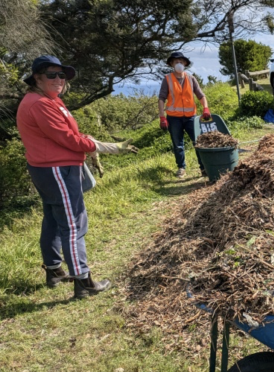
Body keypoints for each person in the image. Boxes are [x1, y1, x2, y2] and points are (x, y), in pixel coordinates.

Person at [17, 55, 137, 299]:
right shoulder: (40, 104)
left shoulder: (49, 100)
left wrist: (90, 142)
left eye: (61, 75)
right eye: (52, 75)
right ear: (37, 78)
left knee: (53, 218)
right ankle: (84, 282)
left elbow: (71, 132)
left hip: (50, 168)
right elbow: (68, 139)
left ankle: (54, 270)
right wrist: (105, 147)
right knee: (73, 224)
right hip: (57, 169)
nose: (59, 79)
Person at [157, 52, 211, 178]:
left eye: (181, 62)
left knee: (198, 142)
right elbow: (161, 99)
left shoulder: (191, 79)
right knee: (178, 145)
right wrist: (162, 117)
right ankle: (181, 168)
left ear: (185, 64)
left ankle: (204, 168)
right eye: (176, 62)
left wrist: (206, 108)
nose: (179, 64)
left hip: (191, 117)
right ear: (171, 64)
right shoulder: (167, 79)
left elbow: (201, 95)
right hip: (173, 118)